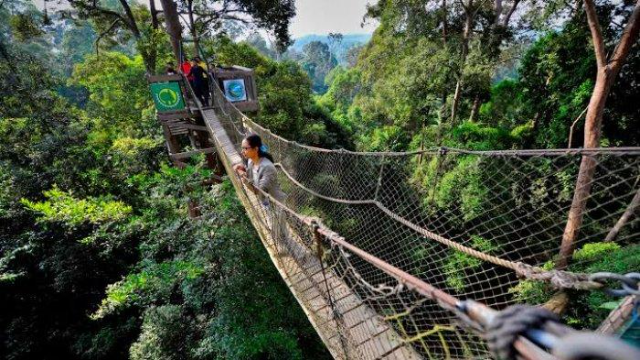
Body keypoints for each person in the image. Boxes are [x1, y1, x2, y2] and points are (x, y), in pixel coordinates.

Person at [233, 134, 286, 204]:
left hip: (278, 205)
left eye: (245, 148)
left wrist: (245, 180)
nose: (242, 151)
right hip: (267, 204)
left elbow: (260, 192)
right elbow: (254, 174)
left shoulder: (267, 167)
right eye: (242, 148)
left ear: (256, 149)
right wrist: (243, 168)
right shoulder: (251, 161)